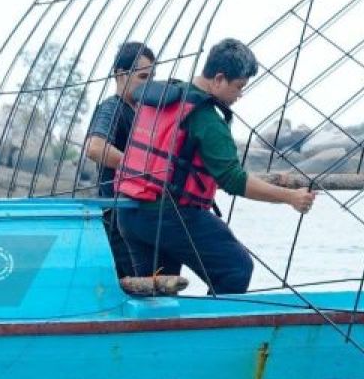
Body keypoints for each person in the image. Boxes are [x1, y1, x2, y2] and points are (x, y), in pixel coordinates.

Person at [116, 38, 316, 294]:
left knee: (156, 295)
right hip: (167, 216)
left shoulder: (170, 95)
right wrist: (290, 197)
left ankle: (164, 331)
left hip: (131, 213)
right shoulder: (206, 118)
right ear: (219, 79)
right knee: (236, 268)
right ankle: (215, 329)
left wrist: (275, 180)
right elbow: (233, 179)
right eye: (238, 87)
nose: (240, 95)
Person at [84, 41, 156, 277]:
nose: (149, 83)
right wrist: (143, 168)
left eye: (152, 77)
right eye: (143, 76)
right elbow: (96, 148)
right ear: (120, 74)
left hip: (137, 217)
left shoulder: (141, 112)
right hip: (116, 217)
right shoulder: (111, 108)